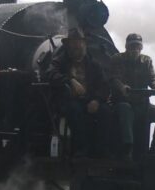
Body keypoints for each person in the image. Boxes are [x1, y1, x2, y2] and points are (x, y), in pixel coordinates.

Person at [47, 29, 131, 157]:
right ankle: (80, 149)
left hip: (90, 100)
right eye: (74, 43)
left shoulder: (94, 64)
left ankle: (102, 150)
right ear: (68, 45)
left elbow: (104, 85)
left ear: (85, 45)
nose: (77, 46)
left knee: (105, 111)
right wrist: (70, 81)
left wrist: (97, 100)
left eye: (80, 43)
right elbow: (50, 74)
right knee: (75, 110)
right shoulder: (60, 61)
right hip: (68, 100)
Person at [110, 32, 155, 155]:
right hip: (122, 103)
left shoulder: (146, 61)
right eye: (132, 47)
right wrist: (122, 88)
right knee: (125, 109)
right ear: (126, 47)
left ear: (141, 48)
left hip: (142, 104)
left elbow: (153, 79)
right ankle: (128, 147)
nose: (135, 50)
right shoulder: (117, 59)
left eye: (137, 47)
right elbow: (114, 78)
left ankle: (154, 149)